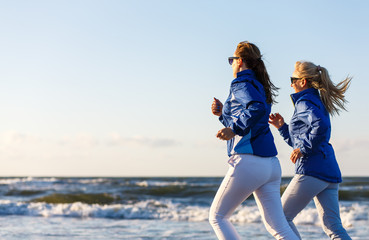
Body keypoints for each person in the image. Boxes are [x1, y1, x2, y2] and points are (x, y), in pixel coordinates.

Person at [209, 41, 299, 240]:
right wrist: (223, 113)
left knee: (218, 217)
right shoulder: (259, 85)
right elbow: (252, 116)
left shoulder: (241, 83)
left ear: (240, 61)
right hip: (271, 164)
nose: (231, 64)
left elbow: (255, 110)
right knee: (279, 228)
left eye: (232, 60)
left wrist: (233, 128)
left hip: (249, 161)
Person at [269, 61, 352, 240]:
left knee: (278, 218)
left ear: (303, 81)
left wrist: (303, 149)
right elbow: (302, 140)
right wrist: (282, 127)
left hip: (312, 170)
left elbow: (321, 127)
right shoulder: (316, 101)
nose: (291, 84)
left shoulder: (304, 102)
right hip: (328, 172)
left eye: (293, 79)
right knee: (334, 227)